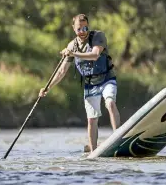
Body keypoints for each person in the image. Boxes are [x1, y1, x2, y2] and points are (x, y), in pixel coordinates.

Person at [39, 13, 120, 152]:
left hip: (106, 79)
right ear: (73, 29)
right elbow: (61, 71)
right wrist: (47, 88)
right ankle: (94, 151)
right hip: (90, 84)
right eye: (79, 29)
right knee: (91, 119)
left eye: (85, 28)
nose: (83, 32)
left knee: (110, 103)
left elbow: (95, 55)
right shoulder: (72, 45)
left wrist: (73, 54)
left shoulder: (98, 36)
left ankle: (119, 138)